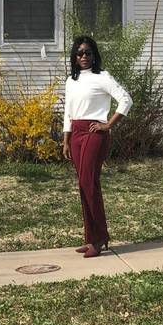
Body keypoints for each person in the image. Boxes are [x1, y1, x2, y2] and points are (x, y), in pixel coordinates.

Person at [62, 35, 132, 258]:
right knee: (84, 185)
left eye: (88, 53)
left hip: (94, 132)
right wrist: (65, 140)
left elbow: (126, 99)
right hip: (76, 134)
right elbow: (68, 113)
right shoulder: (70, 81)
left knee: (88, 183)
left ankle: (100, 238)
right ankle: (91, 237)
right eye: (80, 53)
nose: (84, 56)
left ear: (94, 56)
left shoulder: (102, 77)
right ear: (74, 56)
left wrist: (108, 125)